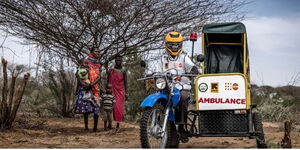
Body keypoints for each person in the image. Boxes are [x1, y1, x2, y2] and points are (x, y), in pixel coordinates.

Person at [152, 31, 199, 133]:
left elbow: (192, 67)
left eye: (176, 45)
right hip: (166, 87)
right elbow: (156, 72)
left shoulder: (184, 57)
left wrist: (194, 70)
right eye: (171, 45)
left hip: (182, 86)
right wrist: (152, 75)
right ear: (167, 45)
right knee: (157, 98)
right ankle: (157, 120)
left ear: (180, 45)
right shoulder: (162, 59)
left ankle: (182, 126)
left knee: (182, 97)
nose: (174, 47)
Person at [74, 47, 102, 132]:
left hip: (94, 88)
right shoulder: (86, 61)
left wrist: (92, 84)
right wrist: (82, 84)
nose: (98, 53)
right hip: (85, 88)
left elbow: (99, 76)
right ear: (91, 52)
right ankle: (86, 127)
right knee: (86, 108)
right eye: (96, 51)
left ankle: (95, 128)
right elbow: (77, 74)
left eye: (98, 51)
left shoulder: (98, 63)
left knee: (96, 107)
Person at [108, 56, 127, 133]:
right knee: (109, 106)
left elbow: (126, 82)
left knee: (118, 108)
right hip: (111, 90)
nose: (118, 62)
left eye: (120, 60)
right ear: (115, 61)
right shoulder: (111, 70)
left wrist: (127, 93)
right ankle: (109, 124)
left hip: (120, 91)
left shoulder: (124, 70)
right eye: (117, 60)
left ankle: (118, 125)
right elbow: (108, 80)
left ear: (121, 61)